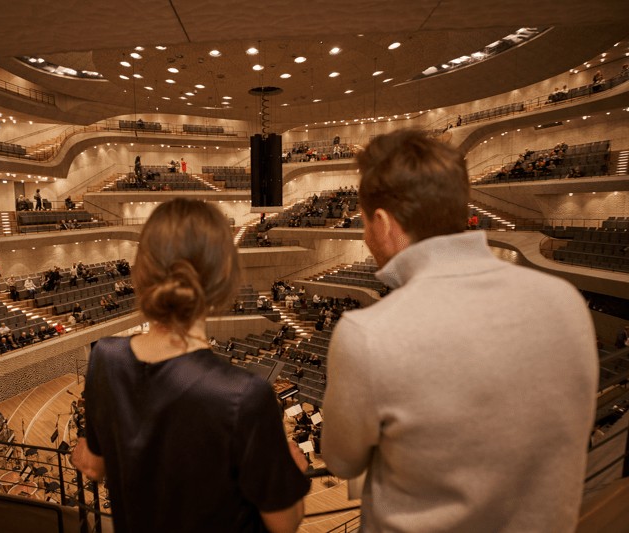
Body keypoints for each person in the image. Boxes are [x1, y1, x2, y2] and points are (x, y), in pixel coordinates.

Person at [321, 130, 598, 533]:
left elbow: (341, 461)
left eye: (364, 223)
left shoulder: (369, 334)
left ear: (382, 222)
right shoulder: (565, 300)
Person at [72, 198, 309, 532]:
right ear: (223, 280)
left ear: (143, 272)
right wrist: (293, 472)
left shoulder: (105, 358)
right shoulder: (243, 395)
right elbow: (284, 523)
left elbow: (94, 466)